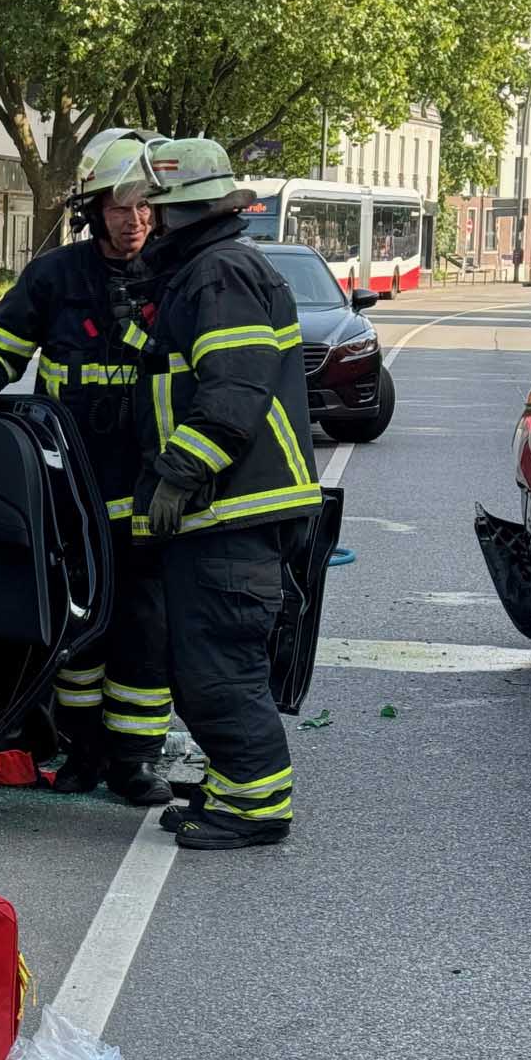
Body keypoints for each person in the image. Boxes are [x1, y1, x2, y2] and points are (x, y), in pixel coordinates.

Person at [0, 128, 175, 806]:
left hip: (146, 489)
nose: (133, 222)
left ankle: (135, 761)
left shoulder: (175, 275)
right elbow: (2, 342)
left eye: (144, 209)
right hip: (70, 489)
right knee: (77, 631)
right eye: (119, 208)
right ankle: (82, 750)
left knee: (142, 631)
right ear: (94, 210)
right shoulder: (55, 277)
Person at [132, 136, 319, 851]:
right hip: (225, 514)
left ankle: (256, 806)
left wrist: (180, 473)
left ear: (180, 212)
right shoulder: (209, 271)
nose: (148, 221)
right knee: (204, 662)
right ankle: (233, 788)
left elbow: (232, 394)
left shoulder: (220, 275)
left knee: (219, 667)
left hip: (231, 513)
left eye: (157, 208)